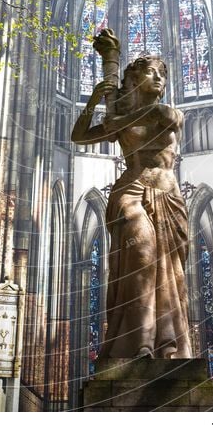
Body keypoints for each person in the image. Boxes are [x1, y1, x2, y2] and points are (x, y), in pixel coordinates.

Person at [71, 53, 192, 359]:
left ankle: (167, 343)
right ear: (136, 80)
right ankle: (141, 343)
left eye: (162, 75)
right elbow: (79, 136)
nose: (160, 78)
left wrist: (113, 115)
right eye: (152, 73)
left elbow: (149, 117)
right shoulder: (122, 119)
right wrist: (94, 102)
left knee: (171, 273)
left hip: (167, 192)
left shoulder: (167, 112)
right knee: (141, 252)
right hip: (131, 188)